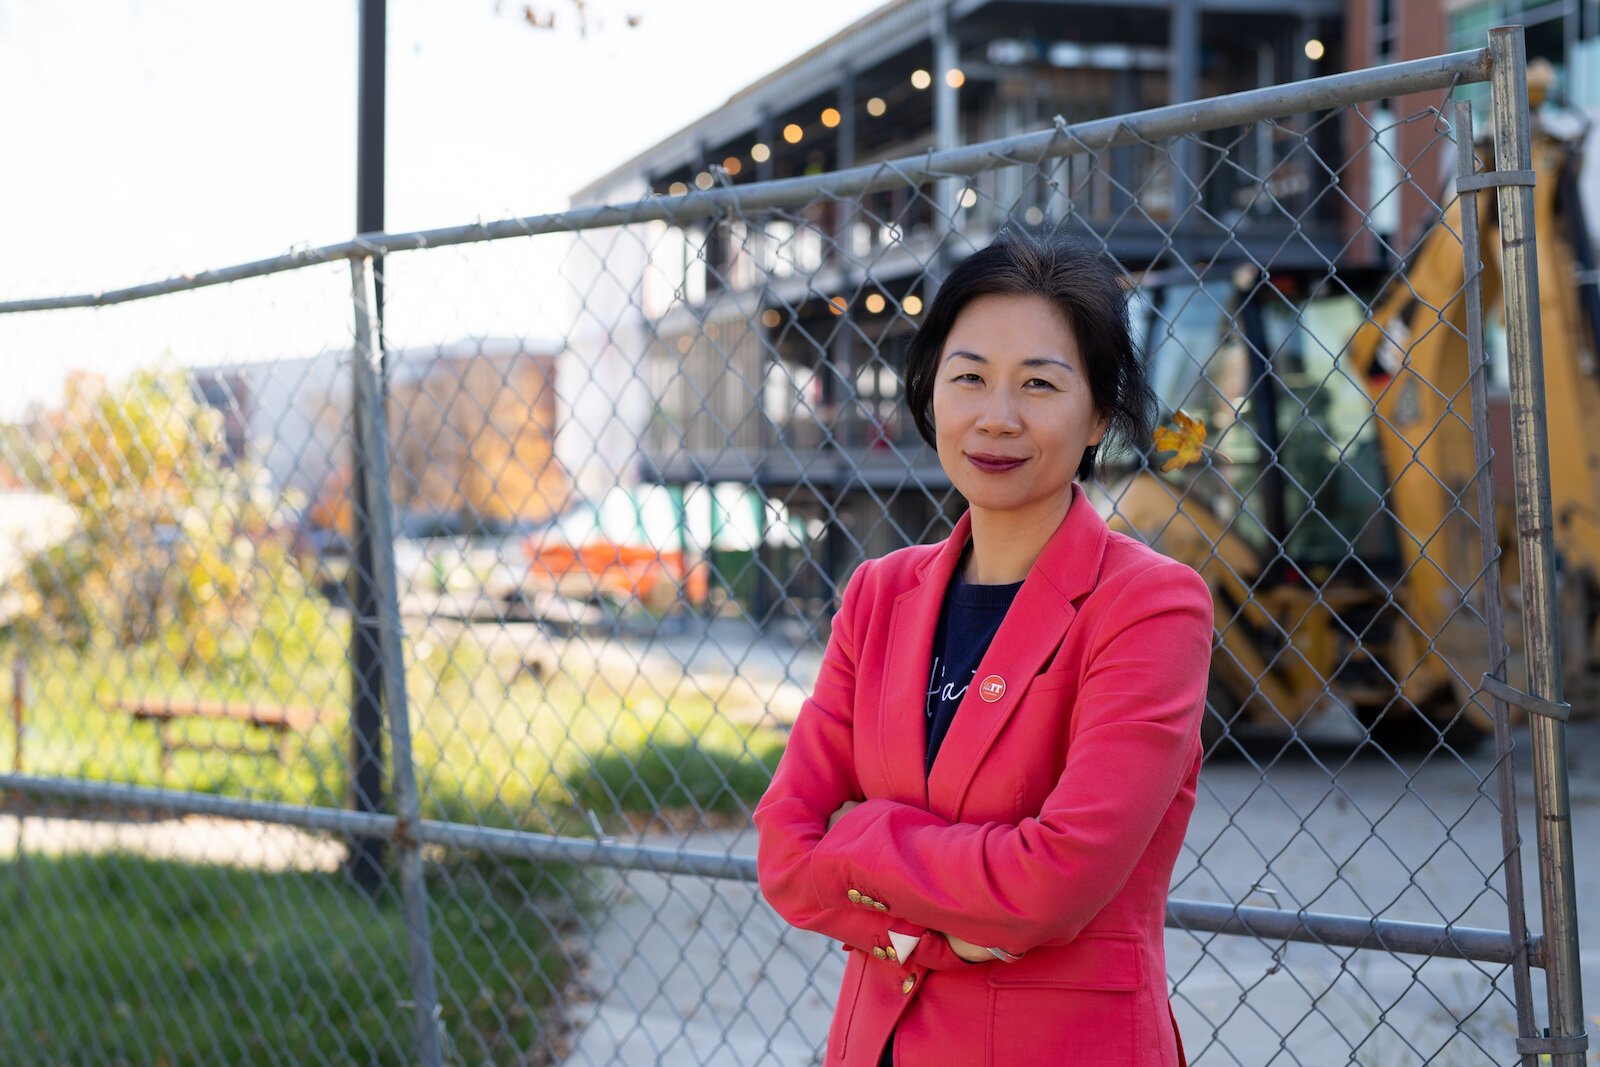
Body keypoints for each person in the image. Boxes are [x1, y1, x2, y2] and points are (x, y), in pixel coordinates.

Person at [753, 226, 1213, 1066]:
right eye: (968, 378)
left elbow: (1054, 881)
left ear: (1099, 415)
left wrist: (861, 839)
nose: (996, 417)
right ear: (932, 393)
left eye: (1039, 384)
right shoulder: (879, 595)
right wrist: (935, 937)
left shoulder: (1149, 605)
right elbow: (785, 851)